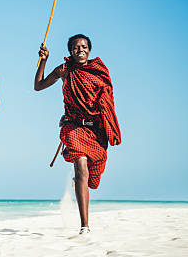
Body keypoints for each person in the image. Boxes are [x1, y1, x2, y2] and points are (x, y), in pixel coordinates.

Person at [34, 34, 121, 235]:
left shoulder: (99, 71)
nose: (80, 50)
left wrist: (109, 124)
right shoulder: (65, 70)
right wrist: (43, 61)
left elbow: (108, 101)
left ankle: (79, 182)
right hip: (73, 127)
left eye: (83, 47)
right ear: (70, 51)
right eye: (75, 47)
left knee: (92, 179)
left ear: (89, 50)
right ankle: (85, 226)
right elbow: (38, 86)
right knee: (81, 166)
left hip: (96, 130)